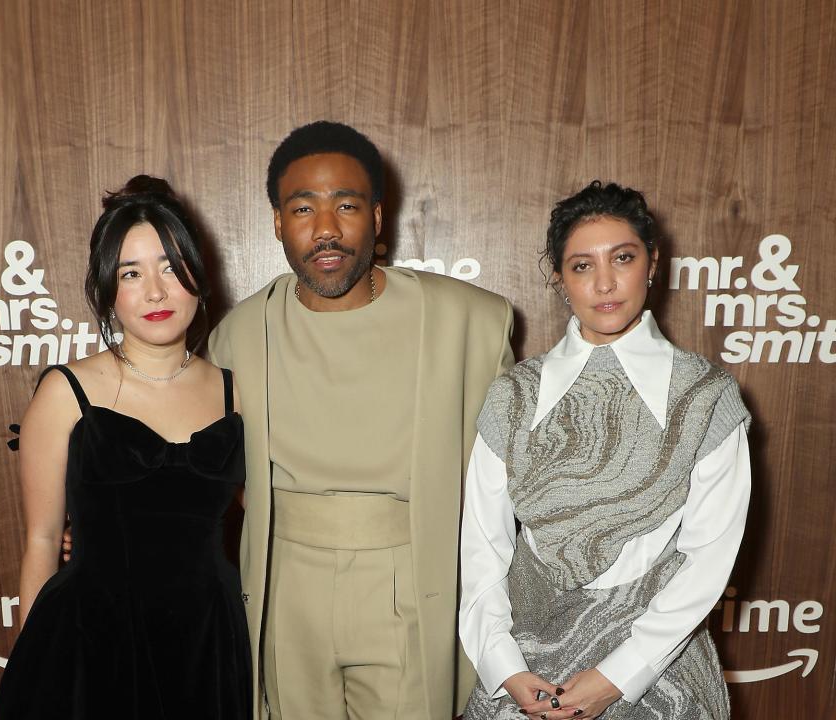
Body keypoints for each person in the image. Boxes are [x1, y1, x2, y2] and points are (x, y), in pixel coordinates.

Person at [208, 121, 516, 719]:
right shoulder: (238, 334)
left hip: (414, 571)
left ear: (377, 217)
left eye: (346, 206)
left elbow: (511, 478)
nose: (326, 229)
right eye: (303, 208)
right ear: (277, 222)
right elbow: (203, 467)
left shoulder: (467, 322)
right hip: (283, 583)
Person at [459, 181, 751, 720]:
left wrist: (620, 675)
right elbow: (483, 548)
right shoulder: (514, 395)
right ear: (559, 277)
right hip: (529, 676)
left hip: (665, 675)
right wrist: (504, 668)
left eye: (622, 258)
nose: (605, 282)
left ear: (652, 262)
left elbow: (709, 559)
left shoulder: (705, 395)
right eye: (581, 266)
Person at [0, 176, 251, 720]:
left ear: (198, 278)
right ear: (108, 289)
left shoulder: (236, 391)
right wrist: (37, 672)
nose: (155, 291)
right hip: (92, 640)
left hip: (207, 642)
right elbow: (41, 540)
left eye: (170, 266)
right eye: (131, 273)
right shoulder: (66, 391)